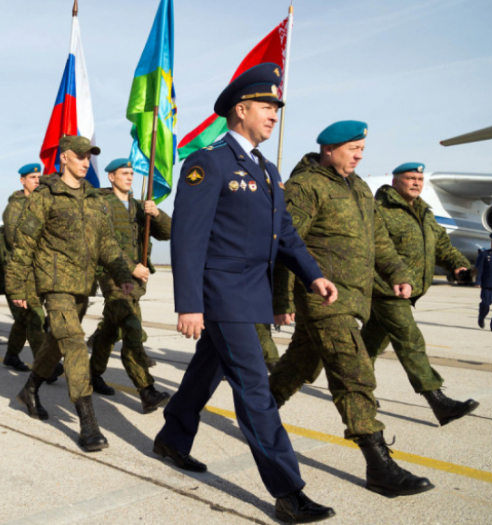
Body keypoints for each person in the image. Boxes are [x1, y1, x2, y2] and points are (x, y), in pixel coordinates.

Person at [155, 64, 336, 523]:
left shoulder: (266, 169)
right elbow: (188, 238)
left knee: (207, 368)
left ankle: (172, 438)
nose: (274, 114)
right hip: (222, 294)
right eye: (266, 106)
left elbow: (285, 233)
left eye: (276, 107)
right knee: (255, 389)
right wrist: (189, 304)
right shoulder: (209, 162)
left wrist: (313, 275)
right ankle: (288, 490)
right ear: (241, 110)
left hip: (249, 293)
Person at [269, 120, 434, 498]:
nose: (359, 155)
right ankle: (379, 465)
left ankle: (257, 413)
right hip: (321, 296)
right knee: (353, 372)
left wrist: (396, 272)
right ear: (329, 149)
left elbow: (379, 239)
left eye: (362, 149)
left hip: (354, 296)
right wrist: (281, 300)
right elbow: (285, 243)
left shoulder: (359, 188)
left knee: (299, 365)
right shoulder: (305, 186)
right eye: (353, 148)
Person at [7, 135, 134, 452]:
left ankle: (30, 390)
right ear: (64, 158)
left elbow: (107, 244)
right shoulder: (46, 195)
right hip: (55, 285)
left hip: (82, 286)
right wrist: (17, 285)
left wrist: (123, 275)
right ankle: (88, 422)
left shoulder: (94, 198)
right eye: (79, 156)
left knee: (56, 341)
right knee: (75, 344)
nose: (85, 162)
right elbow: (24, 242)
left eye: (89, 157)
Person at [361, 162, 479, 425]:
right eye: (410, 178)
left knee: (370, 344)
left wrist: (458, 265)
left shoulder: (424, 212)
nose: (416, 182)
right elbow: (373, 249)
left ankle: (358, 391)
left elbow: (443, 246)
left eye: (419, 179)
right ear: (395, 181)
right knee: (410, 340)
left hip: (407, 290)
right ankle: (438, 401)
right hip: (385, 288)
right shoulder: (379, 210)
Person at [87, 157, 171, 414]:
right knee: (132, 331)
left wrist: (156, 214)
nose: (129, 177)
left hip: (134, 281)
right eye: (124, 173)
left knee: (110, 331)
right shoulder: (101, 204)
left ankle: (91, 375)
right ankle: (147, 391)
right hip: (112, 275)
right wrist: (131, 266)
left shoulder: (138, 207)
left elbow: (167, 233)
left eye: (131, 173)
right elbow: (102, 242)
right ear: (111, 177)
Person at [0, 163, 50, 373]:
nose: (37, 181)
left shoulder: (43, 202)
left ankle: (11, 355)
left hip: (41, 270)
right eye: (32, 177)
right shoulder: (15, 207)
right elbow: (16, 239)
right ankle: (45, 365)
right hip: (22, 270)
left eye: (39, 177)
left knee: (23, 319)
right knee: (36, 318)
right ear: (22, 180)